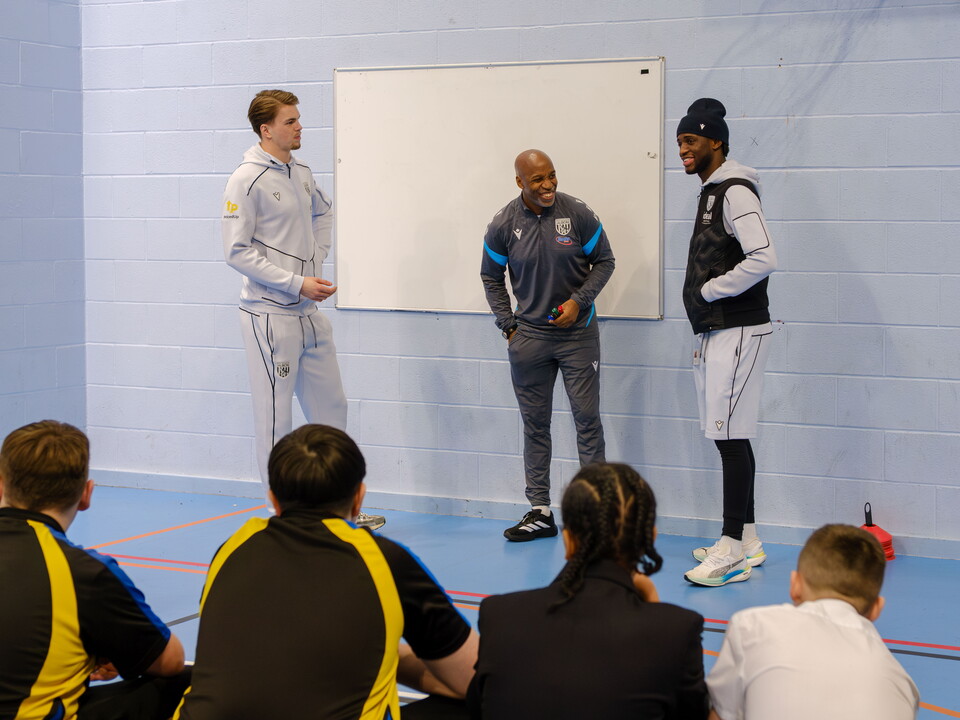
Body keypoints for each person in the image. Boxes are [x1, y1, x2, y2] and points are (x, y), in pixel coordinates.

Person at [174, 424, 479, 720]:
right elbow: (473, 678)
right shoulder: (384, 560)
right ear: (359, 499)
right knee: (489, 699)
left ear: (274, 501)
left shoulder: (231, 548)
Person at [222, 88, 383, 529]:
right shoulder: (246, 179)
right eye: (290, 121)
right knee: (275, 420)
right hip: (267, 315)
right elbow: (236, 252)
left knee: (333, 410)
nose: (299, 127)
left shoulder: (302, 173)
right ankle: (285, 519)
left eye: (298, 119)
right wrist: (295, 281)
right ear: (266, 129)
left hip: (308, 315)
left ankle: (342, 509)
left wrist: (316, 259)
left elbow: (324, 213)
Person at [470, 462, 708, 719]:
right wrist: (654, 608)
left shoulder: (501, 615)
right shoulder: (677, 631)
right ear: (649, 538)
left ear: (568, 541)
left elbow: (476, 706)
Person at [0, 420, 189, 720]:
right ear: (86, 495)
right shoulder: (86, 573)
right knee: (185, 684)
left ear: (1, 483)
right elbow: (171, 661)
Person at [481, 149, 615, 541]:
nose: (548, 185)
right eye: (537, 180)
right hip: (530, 341)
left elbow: (605, 261)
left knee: (587, 421)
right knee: (535, 426)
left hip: (578, 338)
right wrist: (509, 326)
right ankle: (540, 511)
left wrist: (579, 302)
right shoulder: (503, 224)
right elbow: (491, 276)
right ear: (520, 182)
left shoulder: (577, 214)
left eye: (552, 176)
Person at [676, 98, 777, 586]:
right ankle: (750, 539)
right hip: (719, 330)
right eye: (678, 143)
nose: (683, 151)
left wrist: (710, 291)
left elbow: (763, 257)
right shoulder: (711, 191)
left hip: (738, 327)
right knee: (728, 435)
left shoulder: (736, 191)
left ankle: (731, 548)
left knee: (731, 438)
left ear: (716, 140)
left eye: (691, 141)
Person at [706, 524, 920, 719]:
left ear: (795, 586)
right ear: (876, 609)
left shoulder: (752, 627)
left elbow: (720, 715)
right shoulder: (902, 684)